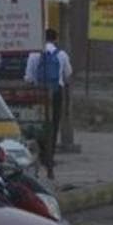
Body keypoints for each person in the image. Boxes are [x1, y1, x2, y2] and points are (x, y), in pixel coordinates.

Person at [24, 29, 73, 174]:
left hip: (38, 94)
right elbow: (67, 75)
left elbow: (28, 77)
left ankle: (40, 154)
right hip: (55, 94)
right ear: (56, 39)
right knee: (54, 123)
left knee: (38, 124)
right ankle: (50, 157)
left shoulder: (33, 54)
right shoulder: (62, 54)